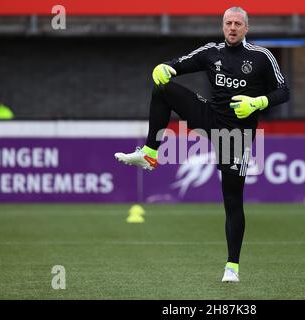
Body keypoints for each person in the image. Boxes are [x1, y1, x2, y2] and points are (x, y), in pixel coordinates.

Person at [115, 6, 289, 282]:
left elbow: (283, 91)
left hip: (237, 135)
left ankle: (232, 267)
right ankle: (149, 153)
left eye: (237, 23)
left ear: (246, 28)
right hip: (210, 117)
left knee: (232, 200)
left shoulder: (261, 57)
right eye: (228, 23)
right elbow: (181, 63)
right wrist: (165, 66)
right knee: (163, 89)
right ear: (223, 26)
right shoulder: (211, 52)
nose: (232, 28)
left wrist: (258, 102)